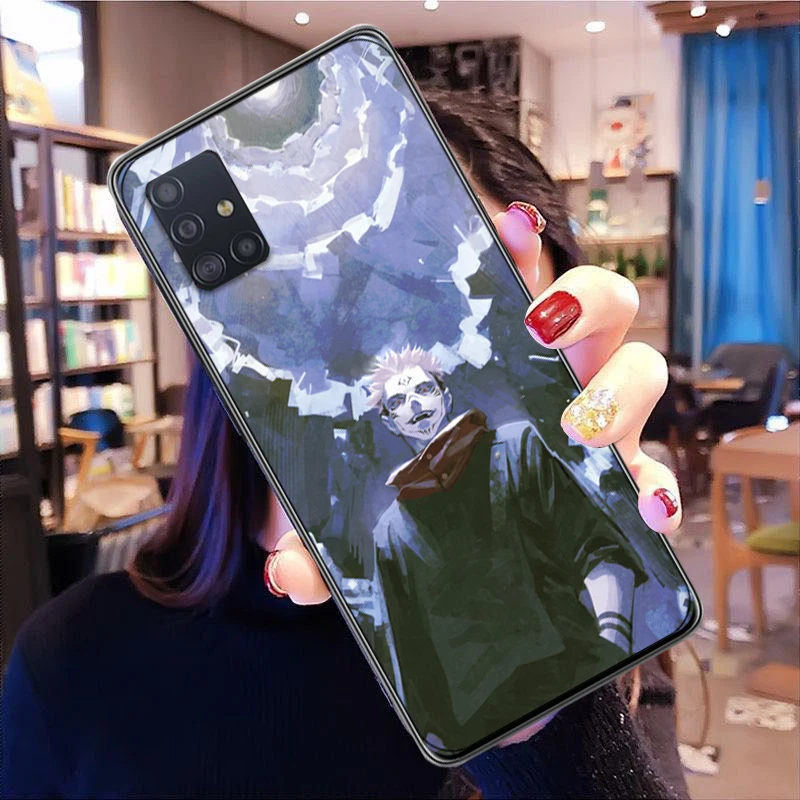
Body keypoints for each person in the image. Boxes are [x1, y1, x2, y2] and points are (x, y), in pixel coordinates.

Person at [2, 90, 688, 799]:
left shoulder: (613, 642)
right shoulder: (71, 662)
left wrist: (547, 702)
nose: (424, 349)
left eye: (476, 296)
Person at [364, 344, 646, 749]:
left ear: (444, 396)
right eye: (398, 401)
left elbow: (599, 549)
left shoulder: (518, 448)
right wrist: (454, 745)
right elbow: (409, 661)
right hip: (482, 725)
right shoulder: (391, 533)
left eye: (423, 390)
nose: (415, 405)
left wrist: (613, 648)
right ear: (390, 422)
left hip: (577, 676)